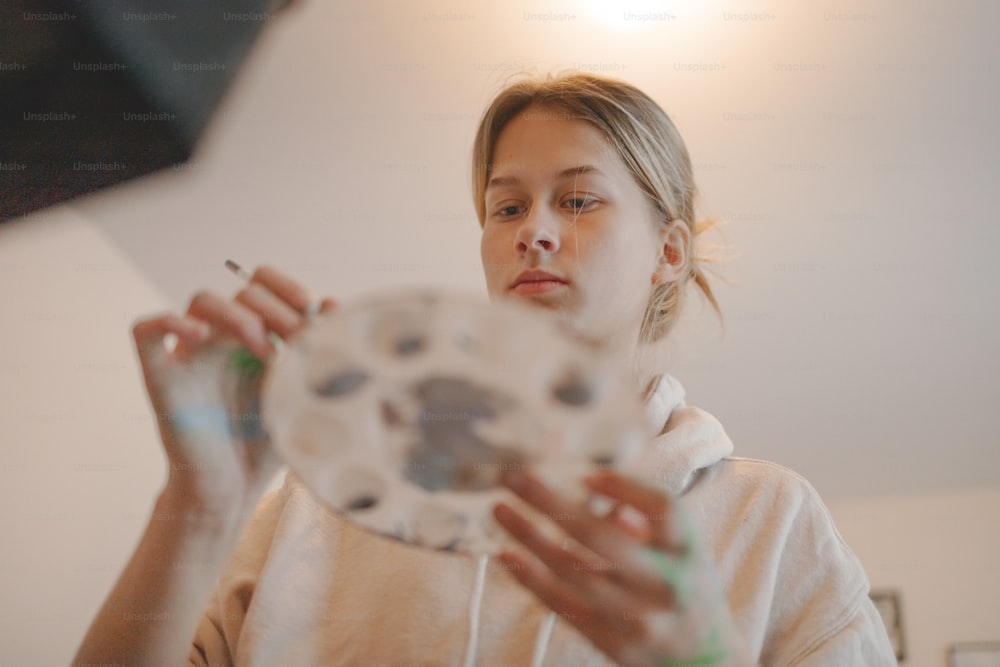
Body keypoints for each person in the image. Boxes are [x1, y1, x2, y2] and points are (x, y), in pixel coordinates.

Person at [73, 73, 897, 666]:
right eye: (507, 207)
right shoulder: (321, 504)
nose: (532, 230)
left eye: (577, 200)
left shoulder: (769, 517)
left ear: (669, 252)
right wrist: (199, 502)